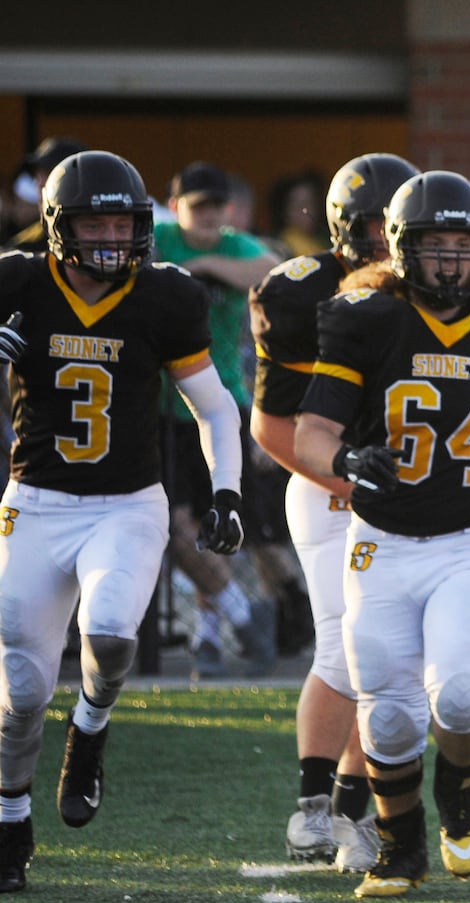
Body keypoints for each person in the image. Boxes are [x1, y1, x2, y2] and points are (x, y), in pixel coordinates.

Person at [293, 170, 470, 898]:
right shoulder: (363, 317)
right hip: (380, 537)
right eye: (433, 245)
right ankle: (400, 850)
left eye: (462, 244)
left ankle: (460, 795)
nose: (448, 259)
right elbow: (311, 430)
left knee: (464, 696)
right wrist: (345, 460)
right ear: (401, 248)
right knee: (385, 716)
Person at [0, 150, 245, 893]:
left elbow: (215, 405)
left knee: (109, 635)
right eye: (95, 222)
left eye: (123, 222)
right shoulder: (15, 280)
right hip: (35, 501)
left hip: (126, 502)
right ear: (57, 227)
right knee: (20, 693)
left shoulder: (164, 294)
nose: (111, 237)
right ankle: (11, 816)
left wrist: (226, 491)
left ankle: (92, 732)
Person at [249, 152, 420, 874]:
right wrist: (342, 479)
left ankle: (357, 806)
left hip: (410, 493)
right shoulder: (302, 296)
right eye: (376, 228)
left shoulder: (442, 290)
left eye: (399, 228)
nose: (389, 242)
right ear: (345, 230)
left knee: (395, 655)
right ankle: (314, 807)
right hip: (324, 485)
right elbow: (269, 426)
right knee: (344, 646)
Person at [156, 160, 283, 678]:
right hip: (160, 404)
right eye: (197, 206)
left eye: (215, 205)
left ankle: (209, 638)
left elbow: (272, 270)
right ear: (175, 207)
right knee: (170, 523)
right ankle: (238, 613)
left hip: (219, 400)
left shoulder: (233, 246)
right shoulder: (159, 238)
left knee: (219, 523)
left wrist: (205, 270)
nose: (208, 215)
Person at [2, 136, 88, 253]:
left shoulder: (108, 239)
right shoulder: (21, 250)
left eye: (51, 172)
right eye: (37, 174)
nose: (40, 182)